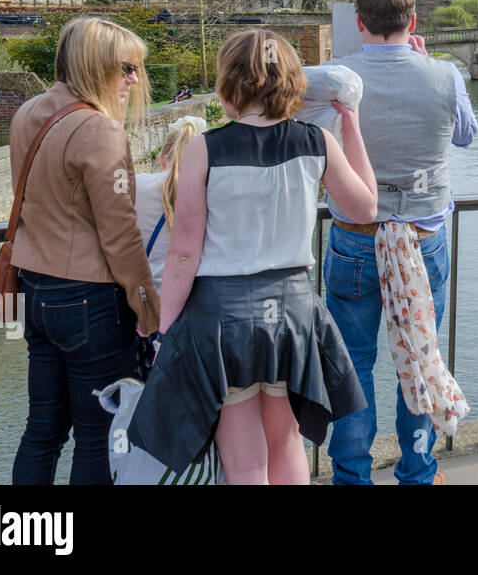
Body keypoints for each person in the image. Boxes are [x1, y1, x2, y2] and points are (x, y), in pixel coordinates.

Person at [127, 30, 379, 484]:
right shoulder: (317, 141)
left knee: (245, 462)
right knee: (286, 444)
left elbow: (184, 253)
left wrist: (165, 330)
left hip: (223, 317)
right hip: (292, 312)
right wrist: (353, 125)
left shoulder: (206, 147)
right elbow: (365, 208)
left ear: (230, 84)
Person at [323, 0, 478, 485]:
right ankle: (417, 473)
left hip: (355, 237)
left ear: (359, 23)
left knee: (352, 365)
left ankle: (351, 477)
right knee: (419, 355)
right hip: (422, 239)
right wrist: (429, 66)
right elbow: (465, 135)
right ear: (413, 22)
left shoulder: (335, 76)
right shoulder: (445, 75)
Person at [8, 16, 162, 485]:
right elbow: (120, 235)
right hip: (88, 301)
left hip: (35, 293)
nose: (134, 79)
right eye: (126, 68)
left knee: (42, 431)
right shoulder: (99, 130)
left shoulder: (29, 112)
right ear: (95, 66)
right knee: (98, 435)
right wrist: (149, 307)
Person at [134, 115, 207, 291]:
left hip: (152, 299)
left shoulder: (137, 186)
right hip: (199, 298)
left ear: (161, 159)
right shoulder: (214, 191)